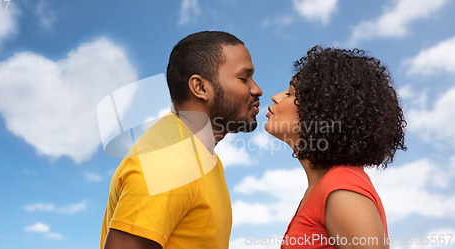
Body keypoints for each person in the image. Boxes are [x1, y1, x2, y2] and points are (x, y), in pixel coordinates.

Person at [101, 31, 262, 249]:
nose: (257, 89)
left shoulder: (198, 155)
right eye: (244, 78)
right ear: (200, 88)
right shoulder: (167, 161)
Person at [265, 46, 406, 249]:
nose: (276, 97)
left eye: (290, 93)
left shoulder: (341, 187)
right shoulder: (323, 188)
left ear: (321, 111)